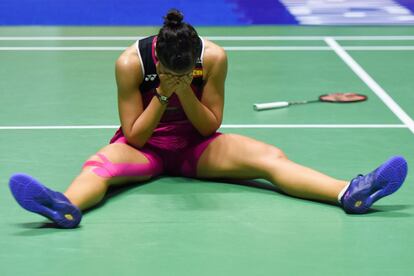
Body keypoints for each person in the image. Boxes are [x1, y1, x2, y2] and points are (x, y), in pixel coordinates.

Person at [9, 9, 408, 229]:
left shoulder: (215, 57)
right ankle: (64, 205)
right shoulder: (129, 62)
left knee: (270, 158)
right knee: (97, 168)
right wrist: (165, 92)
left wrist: (183, 89)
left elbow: (208, 126)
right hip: (143, 147)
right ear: (158, 58)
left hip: (197, 147)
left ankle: (350, 192)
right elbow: (133, 134)